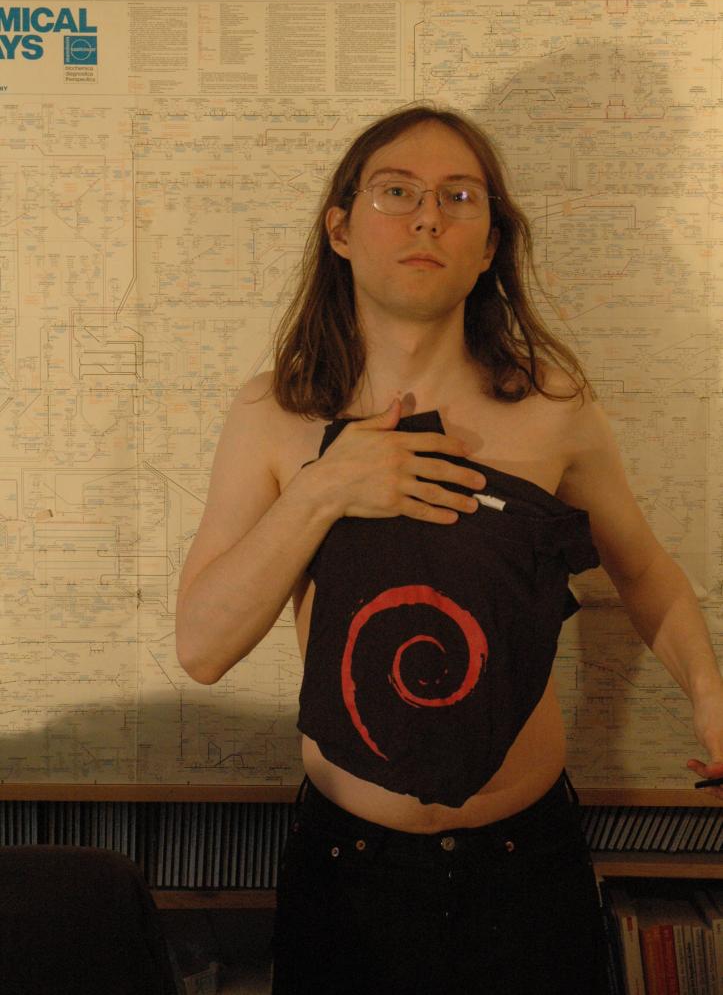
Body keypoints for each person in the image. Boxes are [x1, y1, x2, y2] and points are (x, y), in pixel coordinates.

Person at [175, 104, 723, 995]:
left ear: (489, 243)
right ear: (341, 229)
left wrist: (709, 695)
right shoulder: (274, 414)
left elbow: (644, 572)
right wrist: (323, 489)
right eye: (396, 192)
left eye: (458, 197)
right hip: (346, 873)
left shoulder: (553, 408)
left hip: (527, 866)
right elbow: (201, 647)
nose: (427, 217)